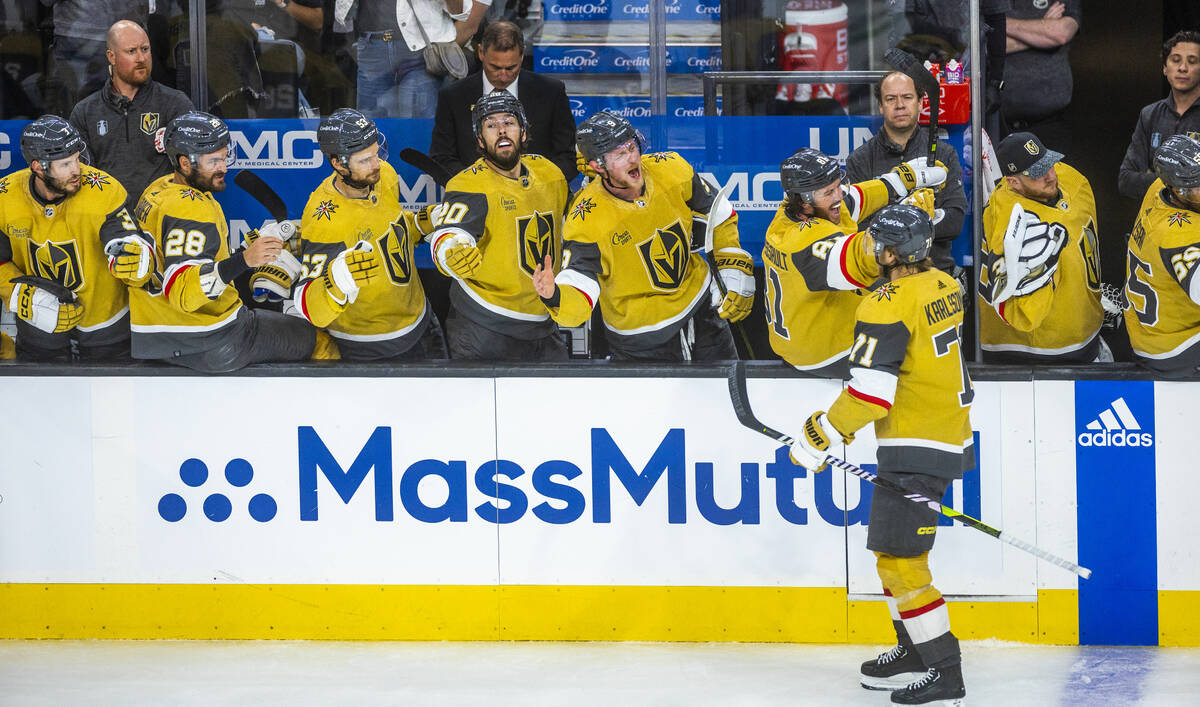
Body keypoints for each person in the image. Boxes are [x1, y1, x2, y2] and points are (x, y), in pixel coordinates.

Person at [787, 204, 972, 707]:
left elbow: (871, 393)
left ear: (891, 253)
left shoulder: (885, 303)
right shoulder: (945, 285)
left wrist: (820, 434)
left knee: (902, 563)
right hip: (943, 432)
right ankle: (913, 649)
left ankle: (944, 670)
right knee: (890, 554)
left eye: (875, 244)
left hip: (918, 443)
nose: (868, 249)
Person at [532, 110, 754, 362]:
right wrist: (554, 295)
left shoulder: (671, 168)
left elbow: (720, 213)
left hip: (702, 312)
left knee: (726, 398)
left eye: (631, 146)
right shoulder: (586, 219)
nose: (632, 158)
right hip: (643, 337)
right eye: (619, 154)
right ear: (597, 166)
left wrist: (730, 266)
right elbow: (580, 290)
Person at [128, 111, 340, 372]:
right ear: (185, 163)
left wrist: (249, 247)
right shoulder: (190, 207)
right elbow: (183, 292)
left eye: (224, 157)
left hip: (157, 332)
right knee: (316, 338)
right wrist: (245, 260)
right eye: (213, 161)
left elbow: (184, 259)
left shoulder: (158, 189)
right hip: (210, 338)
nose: (224, 168)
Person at [763, 147, 947, 377]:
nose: (838, 195)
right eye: (829, 192)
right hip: (823, 352)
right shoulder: (801, 241)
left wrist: (900, 179)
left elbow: (855, 199)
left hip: (809, 326)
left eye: (838, 186)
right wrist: (904, 220)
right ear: (804, 202)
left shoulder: (800, 209)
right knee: (919, 306)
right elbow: (862, 258)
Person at [290, 108, 447, 361]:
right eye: (364, 160)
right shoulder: (324, 219)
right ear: (338, 163)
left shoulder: (383, 174)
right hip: (369, 346)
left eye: (376, 152)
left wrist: (421, 223)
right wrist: (336, 282)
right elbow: (308, 303)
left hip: (422, 322)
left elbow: (389, 229)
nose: (376, 165)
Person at [425, 90, 569, 360]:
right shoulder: (470, 183)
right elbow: (450, 231)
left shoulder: (550, 173)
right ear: (480, 139)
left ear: (523, 132)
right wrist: (449, 252)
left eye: (509, 122)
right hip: (485, 327)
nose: (501, 131)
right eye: (491, 125)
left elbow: (575, 224)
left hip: (544, 321)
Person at [0, 115, 146, 361]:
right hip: (39, 329)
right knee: (42, 399)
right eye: (65, 164)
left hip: (107, 329)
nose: (77, 170)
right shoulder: (5, 196)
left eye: (77, 159)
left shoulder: (104, 189)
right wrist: (20, 294)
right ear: (38, 167)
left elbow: (125, 235)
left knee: (113, 400)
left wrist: (135, 252)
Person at [978, 131, 1104, 363]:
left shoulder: (1070, 180)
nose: (1050, 176)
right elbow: (1021, 314)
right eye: (1037, 173)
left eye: (1049, 163)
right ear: (1013, 182)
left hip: (1085, 336)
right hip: (1035, 352)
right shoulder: (1010, 222)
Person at [847, 70, 967, 274]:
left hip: (935, 271)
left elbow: (955, 222)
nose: (900, 105)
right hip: (883, 279)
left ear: (920, 103)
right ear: (881, 105)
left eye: (907, 97)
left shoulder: (944, 154)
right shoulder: (860, 159)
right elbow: (859, 228)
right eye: (891, 99)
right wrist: (923, 221)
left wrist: (892, 227)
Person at [69, 20, 194, 214]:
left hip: (163, 218)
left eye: (145, 49)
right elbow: (81, 178)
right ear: (111, 56)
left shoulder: (175, 103)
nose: (141, 58)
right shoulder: (85, 112)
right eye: (131, 51)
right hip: (108, 220)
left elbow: (191, 171)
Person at [429, 20, 577, 182]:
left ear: (522, 55)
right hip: (477, 198)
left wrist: (537, 184)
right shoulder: (453, 96)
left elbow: (568, 156)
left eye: (511, 68)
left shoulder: (551, 92)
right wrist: (475, 184)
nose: (503, 76)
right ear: (481, 53)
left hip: (538, 196)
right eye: (495, 67)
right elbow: (441, 158)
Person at [1124, 134, 1200, 375]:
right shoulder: (1178, 237)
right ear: (1179, 191)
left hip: (1150, 326)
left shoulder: (1158, 188)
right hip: (1173, 345)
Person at [341, 0, 473, 119]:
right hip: (372, 46)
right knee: (369, 128)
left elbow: (460, 11)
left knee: (417, 128)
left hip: (419, 50)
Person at [1118, 31, 1200, 202]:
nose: (1182, 68)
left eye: (1192, 61)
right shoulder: (1150, 114)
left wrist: (1153, 177)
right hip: (1156, 220)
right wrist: (1187, 182)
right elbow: (1126, 180)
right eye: (1175, 60)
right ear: (1164, 67)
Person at [1002, 1, 1081, 153]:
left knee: (1052, 177)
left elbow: (1060, 33)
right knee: (1004, 177)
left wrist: (998, 23)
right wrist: (1043, 29)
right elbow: (979, 44)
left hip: (1049, 126)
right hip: (996, 125)